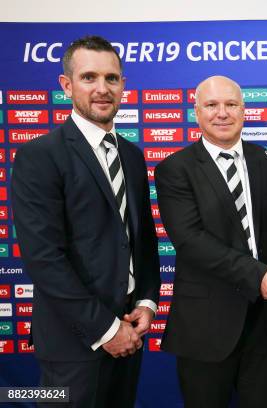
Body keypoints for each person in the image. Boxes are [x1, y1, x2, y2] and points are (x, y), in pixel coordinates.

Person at [11, 35, 160, 407]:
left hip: (130, 333)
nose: (102, 89)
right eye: (89, 77)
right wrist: (107, 330)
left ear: (123, 85)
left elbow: (141, 241)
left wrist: (146, 302)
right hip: (73, 343)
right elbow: (44, 259)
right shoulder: (39, 156)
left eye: (112, 78)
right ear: (67, 85)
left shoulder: (132, 156)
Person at [155, 75, 267, 407]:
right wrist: (257, 274)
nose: (222, 113)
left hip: (266, 321)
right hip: (205, 325)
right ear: (197, 112)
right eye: (212, 105)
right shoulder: (176, 169)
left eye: (231, 104)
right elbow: (190, 240)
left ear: (244, 111)